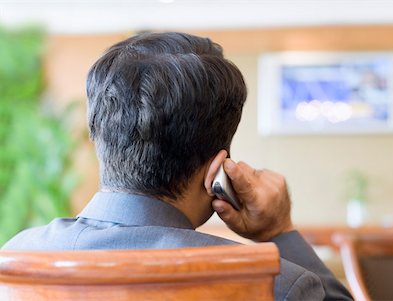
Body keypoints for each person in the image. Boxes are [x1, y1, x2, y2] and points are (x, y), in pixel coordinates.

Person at [2, 32, 353, 300]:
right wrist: (279, 231)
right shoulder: (273, 283)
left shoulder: (16, 259)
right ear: (218, 168)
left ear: (99, 139)